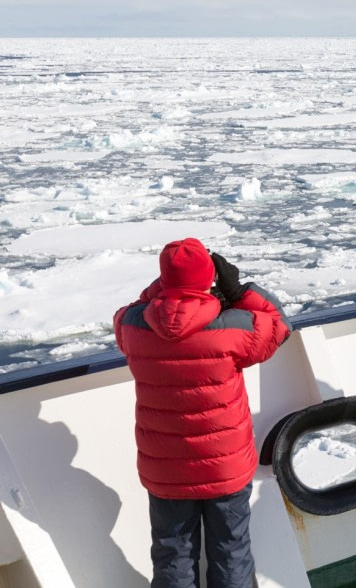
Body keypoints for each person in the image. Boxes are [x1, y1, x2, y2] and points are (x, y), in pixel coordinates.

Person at [114, 238, 292, 588]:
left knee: (173, 554)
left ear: (164, 279)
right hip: (224, 466)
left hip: (166, 469)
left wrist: (165, 289)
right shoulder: (235, 327)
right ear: (208, 278)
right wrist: (238, 290)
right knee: (231, 551)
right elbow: (279, 324)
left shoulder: (134, 328)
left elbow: (131, 308)